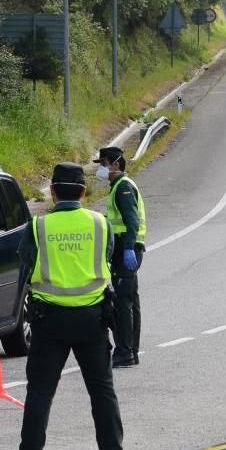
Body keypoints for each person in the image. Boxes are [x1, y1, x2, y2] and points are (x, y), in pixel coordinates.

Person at [12, 162, 124, 450]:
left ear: (52, 192)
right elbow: (109, 258)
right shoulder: (100, 224)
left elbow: (26, 261)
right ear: (85, 192)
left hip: (50, 323)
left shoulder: (38, 227)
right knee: (102, 393)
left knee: (40, 394)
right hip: (93, 321)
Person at [93, 146, 146, 368]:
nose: (102, 168)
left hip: (127, 250)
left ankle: (125, 351)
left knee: (123, 303)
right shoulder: (119, 186)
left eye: (104, 163)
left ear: (116, 164)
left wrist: (127, 248)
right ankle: (131, 351)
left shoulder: (123, 187)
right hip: (128, 248)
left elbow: (131, 220)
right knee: (130, 300)